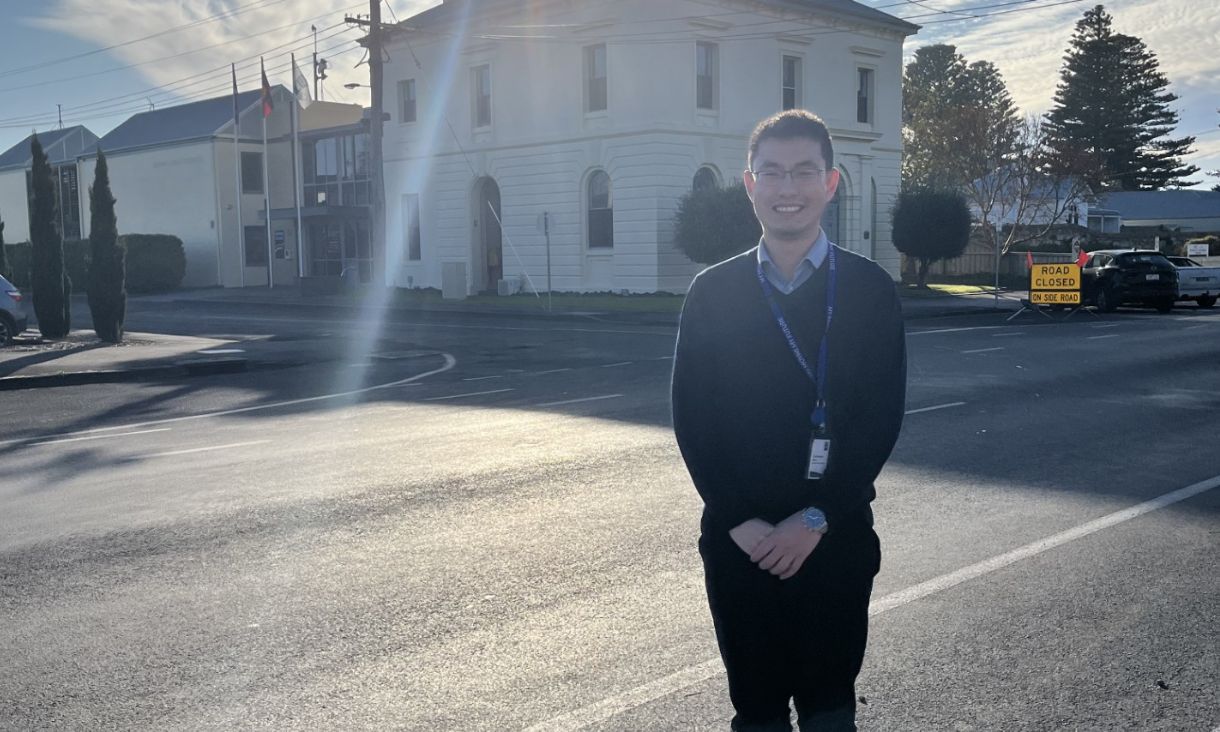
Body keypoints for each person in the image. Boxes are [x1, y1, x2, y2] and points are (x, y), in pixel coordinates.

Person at [671, 109, 907, 732]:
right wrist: (737, 520)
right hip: (740, 544)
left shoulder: (871, 289)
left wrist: (816, 516)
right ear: (750, 185)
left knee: (830, 709)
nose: (788, 188)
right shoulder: (711, 294)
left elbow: (879, 420)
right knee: (758, 711)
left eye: (805, 172)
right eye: (771, 173)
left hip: (833, 538)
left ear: (830, 184)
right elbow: (694, 420)